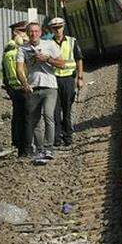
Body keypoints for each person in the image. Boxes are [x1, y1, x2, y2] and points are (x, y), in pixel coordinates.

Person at [17, 22, 64, 164]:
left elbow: (62, 64)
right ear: (27, 33)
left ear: (40, 32)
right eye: (31, 32)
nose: (33, 34)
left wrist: (47, 59)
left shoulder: (50, 45)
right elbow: (19, 68)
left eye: (36, 31)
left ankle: (49, 147)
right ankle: (40, 148)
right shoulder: (23, 49)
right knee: (35, 120)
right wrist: (24, 83)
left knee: (48, 115)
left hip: (50, 86)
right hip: (33, 87)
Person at [48, 18, 84, 147]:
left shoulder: (71, 41)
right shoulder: (47, 43)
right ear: (51, 29)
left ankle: (68, 136)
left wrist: (80, 78)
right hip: (53, 80)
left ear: (63, 27)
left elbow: (79, 59)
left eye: (60, 27)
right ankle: (57, 138)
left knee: (67, 109)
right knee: (55, 111)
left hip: (68, 79)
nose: (58, 30)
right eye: (55, 28)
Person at [1, 21, 31, 156]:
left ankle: (18, 143)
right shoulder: (14, 49)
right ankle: (24, 148)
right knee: (25, 118)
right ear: (15, 32)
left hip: (14, 88)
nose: (26, 34)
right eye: (23, 31)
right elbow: (18, 70)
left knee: (18, 116)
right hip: (21, 88)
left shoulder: (10, 48)